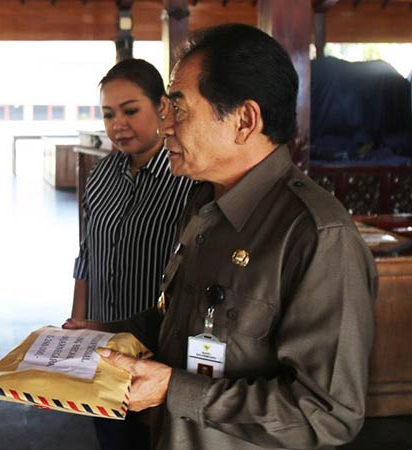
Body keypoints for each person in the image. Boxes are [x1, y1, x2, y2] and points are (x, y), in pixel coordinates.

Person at [65, 23, 377, 450]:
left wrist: (173, 390)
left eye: (179, 109)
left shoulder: (316, 236)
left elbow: (328, 414)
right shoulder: (204, 204)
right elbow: (183, 323)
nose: (166, 126)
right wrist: (108, 333)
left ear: (244, 120)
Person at [69, 58, 193, 450]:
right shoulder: (102, 175)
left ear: (161, 107)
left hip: (157, 350)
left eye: (129, 111)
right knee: (111, 437)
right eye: (108, 114)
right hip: (104, 344)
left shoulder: (187, 179)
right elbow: (87, 253)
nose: (117, 124)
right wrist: (76, 325)